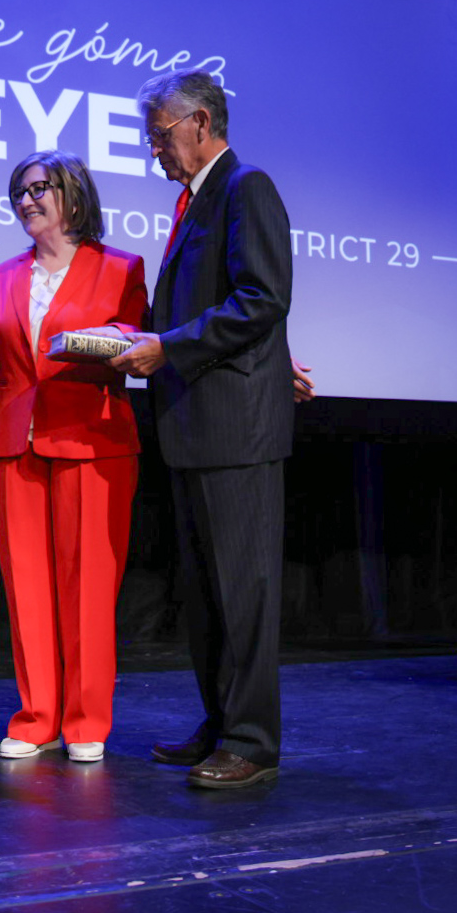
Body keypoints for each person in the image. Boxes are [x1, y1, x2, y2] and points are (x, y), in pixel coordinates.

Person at [109, 68, 293, 789]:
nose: (153, 149)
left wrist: (168, 347)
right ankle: (220, 724)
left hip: (236, 431)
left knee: (243, 595)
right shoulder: (195, 201)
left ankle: (251, 741)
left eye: (159, 135)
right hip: (194, 425)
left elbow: (262, 298)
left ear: (200, 123)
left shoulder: (246, 187)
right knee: (209, 594)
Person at [0, 151, 148, 762]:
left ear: (74, 195)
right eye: (19, 193)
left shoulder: (121, 267)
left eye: (39, 189)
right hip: (14, 442)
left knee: (89, 589)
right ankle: (36, 717)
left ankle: (86, 722)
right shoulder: (2, 275)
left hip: (93, 440)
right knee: (26, 587)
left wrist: (115, 339)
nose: (26, 201)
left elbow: (135, 343)